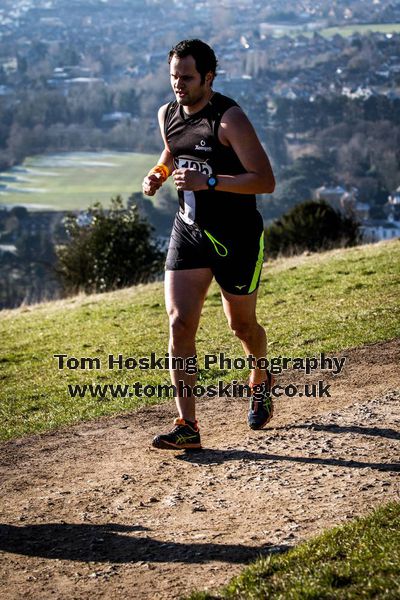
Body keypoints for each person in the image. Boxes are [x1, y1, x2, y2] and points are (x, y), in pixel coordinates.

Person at [142, 39, 275, 450]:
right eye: (173, 77)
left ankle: (260, 375)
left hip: (237, 239)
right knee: (180, 323)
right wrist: (159, 172)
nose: (178, 85)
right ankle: (188, 426)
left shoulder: (229, 119)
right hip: (190, 231)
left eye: (187, 77)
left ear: (208, 78)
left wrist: (210, 181)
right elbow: (173, 150)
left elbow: (265, 181)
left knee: (242, 327)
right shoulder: (168, 114)